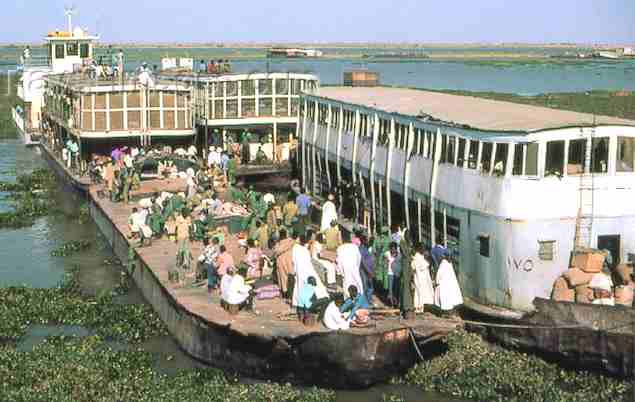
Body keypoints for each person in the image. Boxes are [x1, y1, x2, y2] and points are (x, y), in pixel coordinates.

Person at [292, 234, 328, 308]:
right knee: (313, 287)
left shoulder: (295, 249)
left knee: (299, 286)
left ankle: (298, 303)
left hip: (299, 270)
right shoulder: (304, 250)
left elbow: (293, 261)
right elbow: (308, 261)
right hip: (306, 269)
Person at [273, 229, 295, 299]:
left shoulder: (279, 244)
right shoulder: (291, 242)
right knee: (290, 277)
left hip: (281, 263)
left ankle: (285, 293)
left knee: (283, 278)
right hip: (290, 262)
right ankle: (291, 292)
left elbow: (276, 252)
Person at [412, 246, 434, 313]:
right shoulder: (419, 257)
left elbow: (413, 267)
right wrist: (428, 261)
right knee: (421, 293)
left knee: (417, 293)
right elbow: (423, 266)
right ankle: (420, 308)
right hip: (421, 278)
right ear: (419, 249)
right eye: (423, 249)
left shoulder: (415, 257)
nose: (423, 251)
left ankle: (418, 307)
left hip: (417, 277)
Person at [359, 235, 375, 303]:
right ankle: (366, 300)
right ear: (363, 241)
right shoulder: (361, 249)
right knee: (365, 286)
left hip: (369, 270)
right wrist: (368, 271)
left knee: (370, 286)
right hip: (364, 271)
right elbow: (362, 262)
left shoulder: (366, 248)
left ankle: (369, 299)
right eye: (366, 240)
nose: (367, 241)